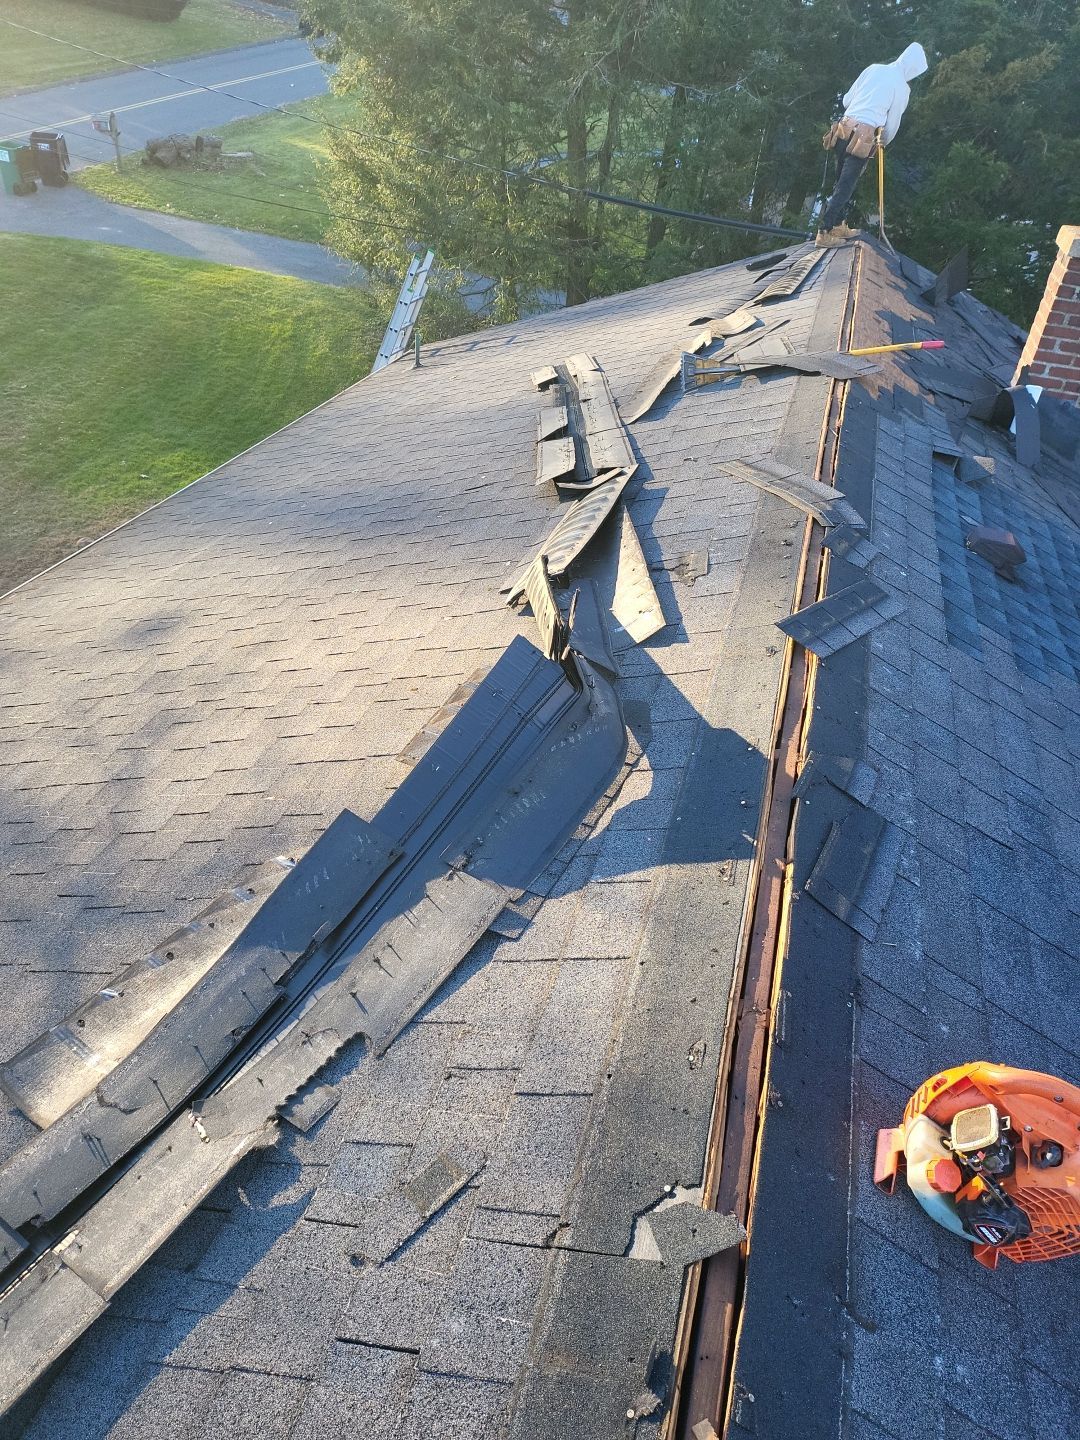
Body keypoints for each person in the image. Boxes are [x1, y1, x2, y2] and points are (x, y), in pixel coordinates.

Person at [816, 42, 929, 246]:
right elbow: (892, 124)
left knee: (840, 180)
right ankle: (824, 232)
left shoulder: (873, 68)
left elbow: (847, 101)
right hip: (862, 138)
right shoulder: (902, 88)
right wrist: (882, 142)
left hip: (842, 129)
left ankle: (837, 225)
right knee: (846, 185)